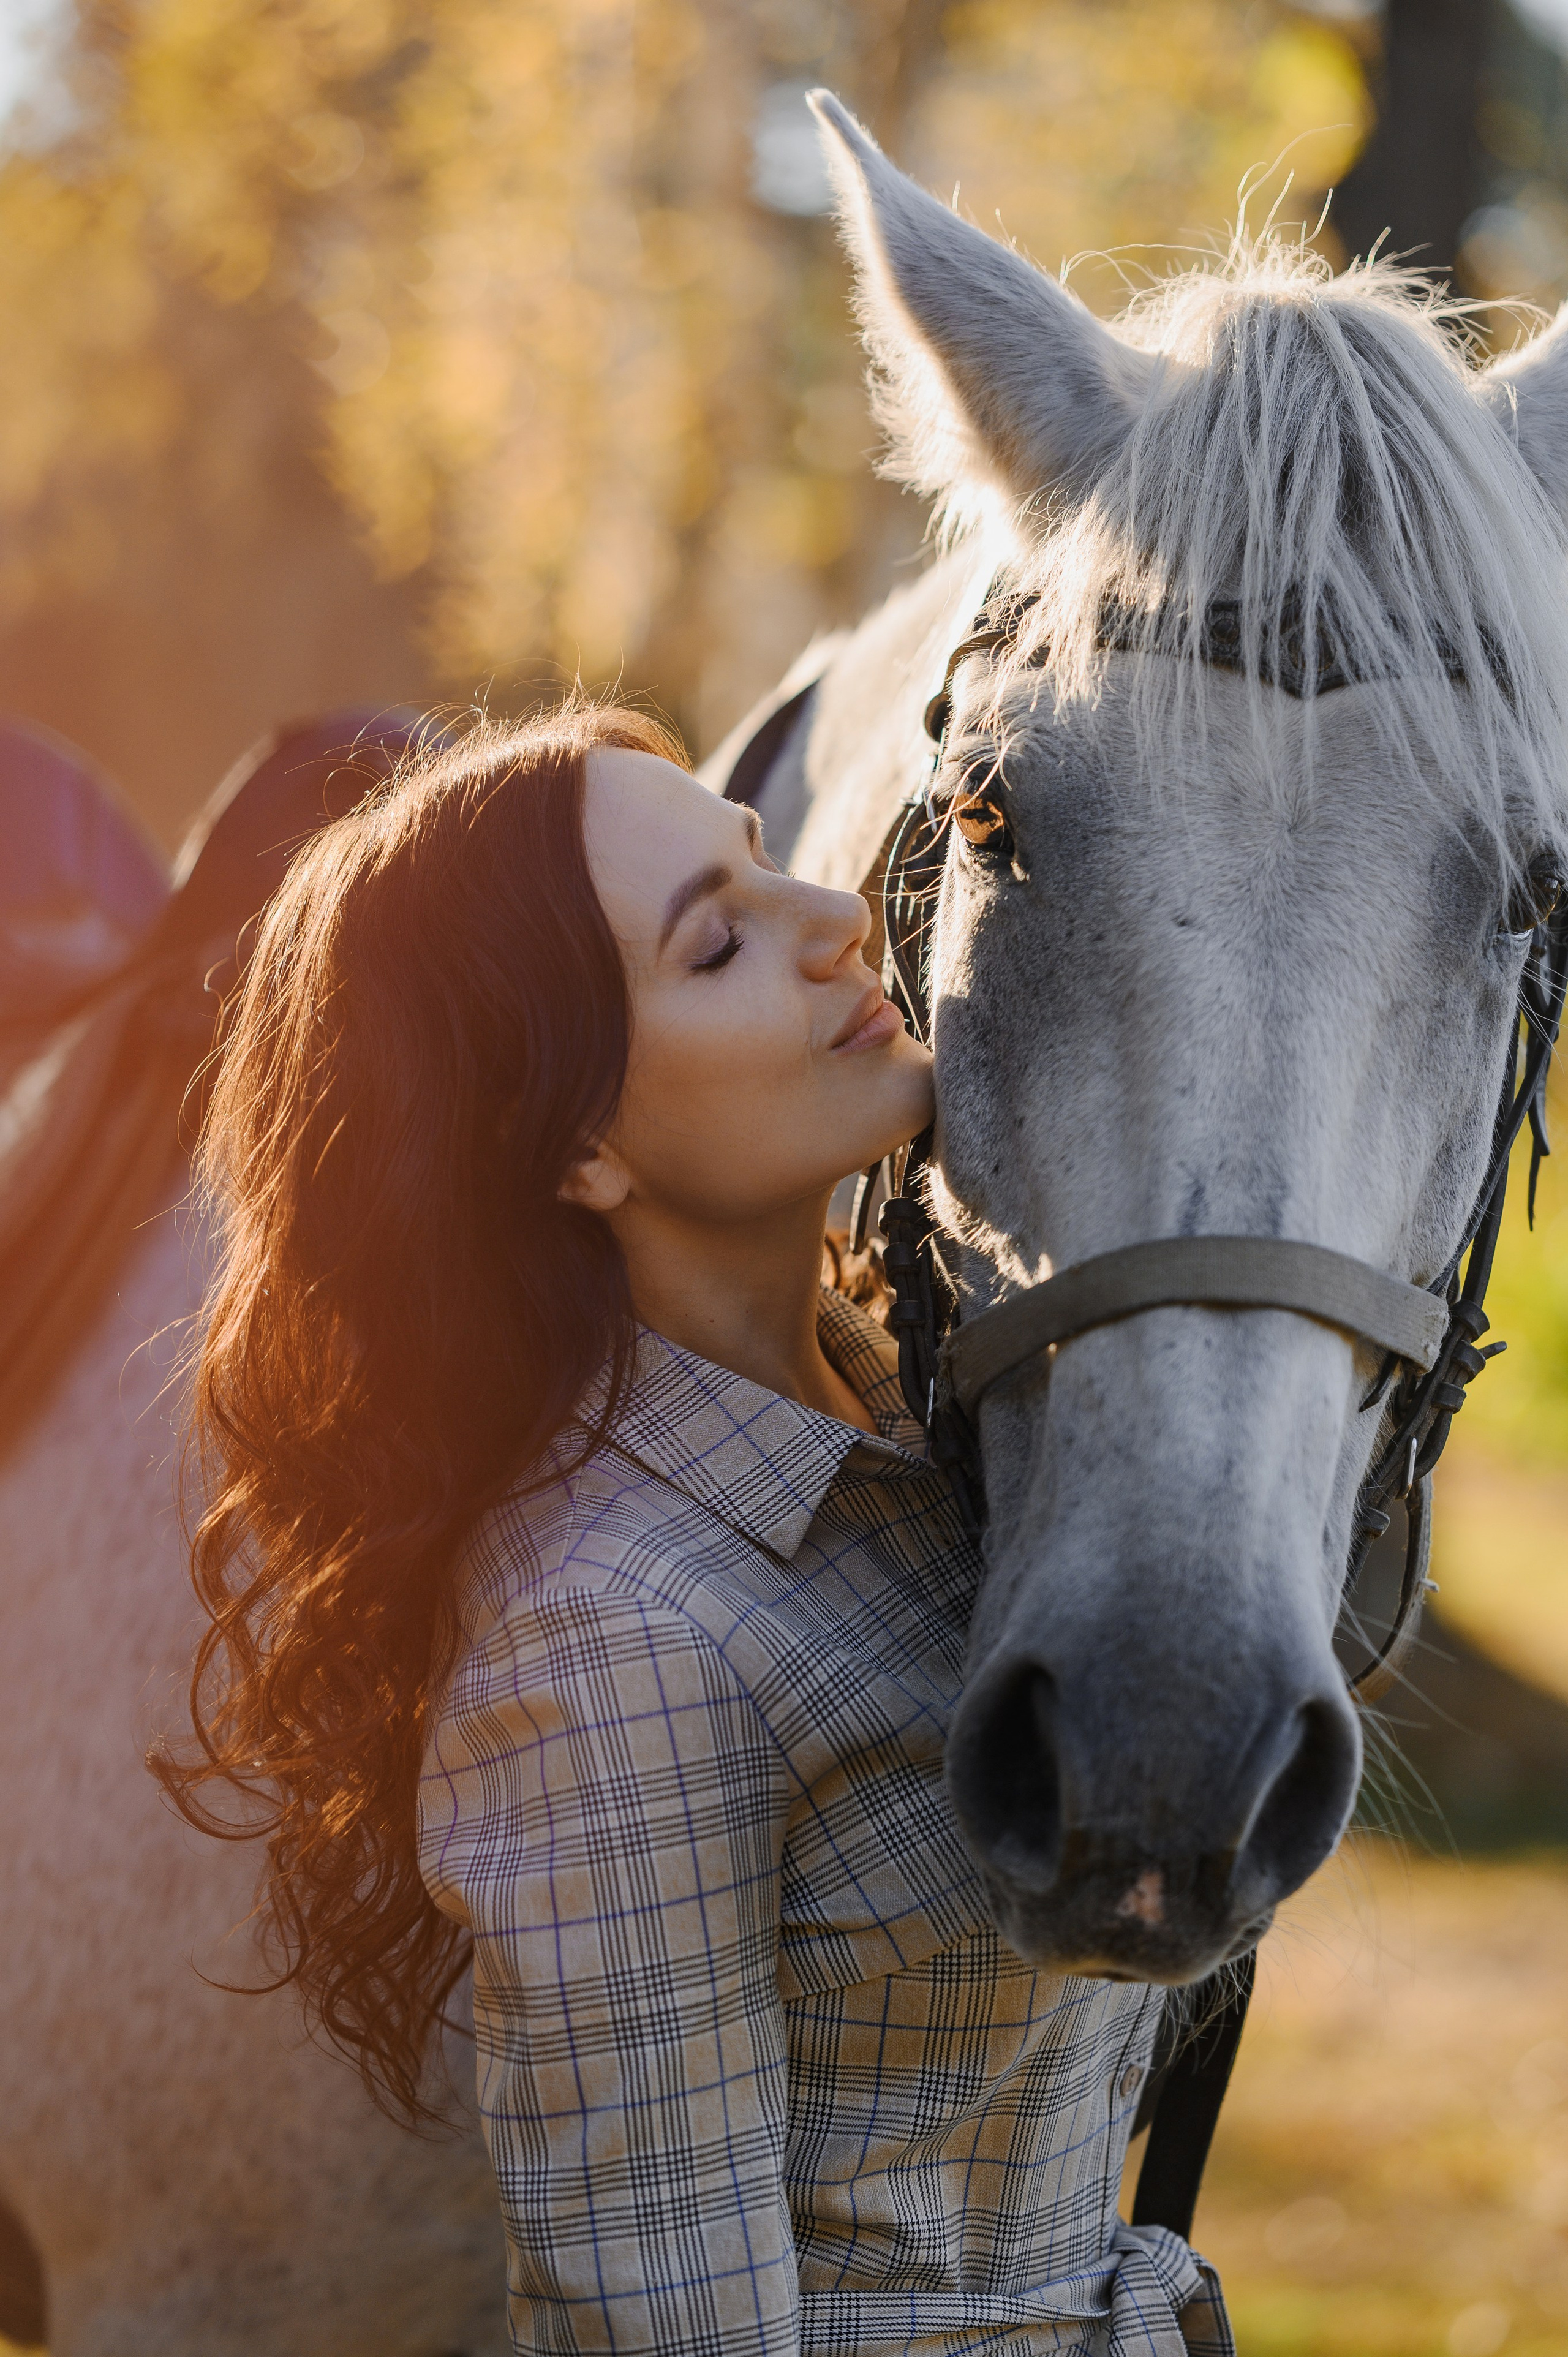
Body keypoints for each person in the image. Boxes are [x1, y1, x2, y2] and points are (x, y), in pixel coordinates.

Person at [159, 699, 1230, 2356]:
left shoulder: (926, 1427)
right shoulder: (610, 1639)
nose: (835, 919)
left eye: (765, 863)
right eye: (719, 943)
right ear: (579, 1145)